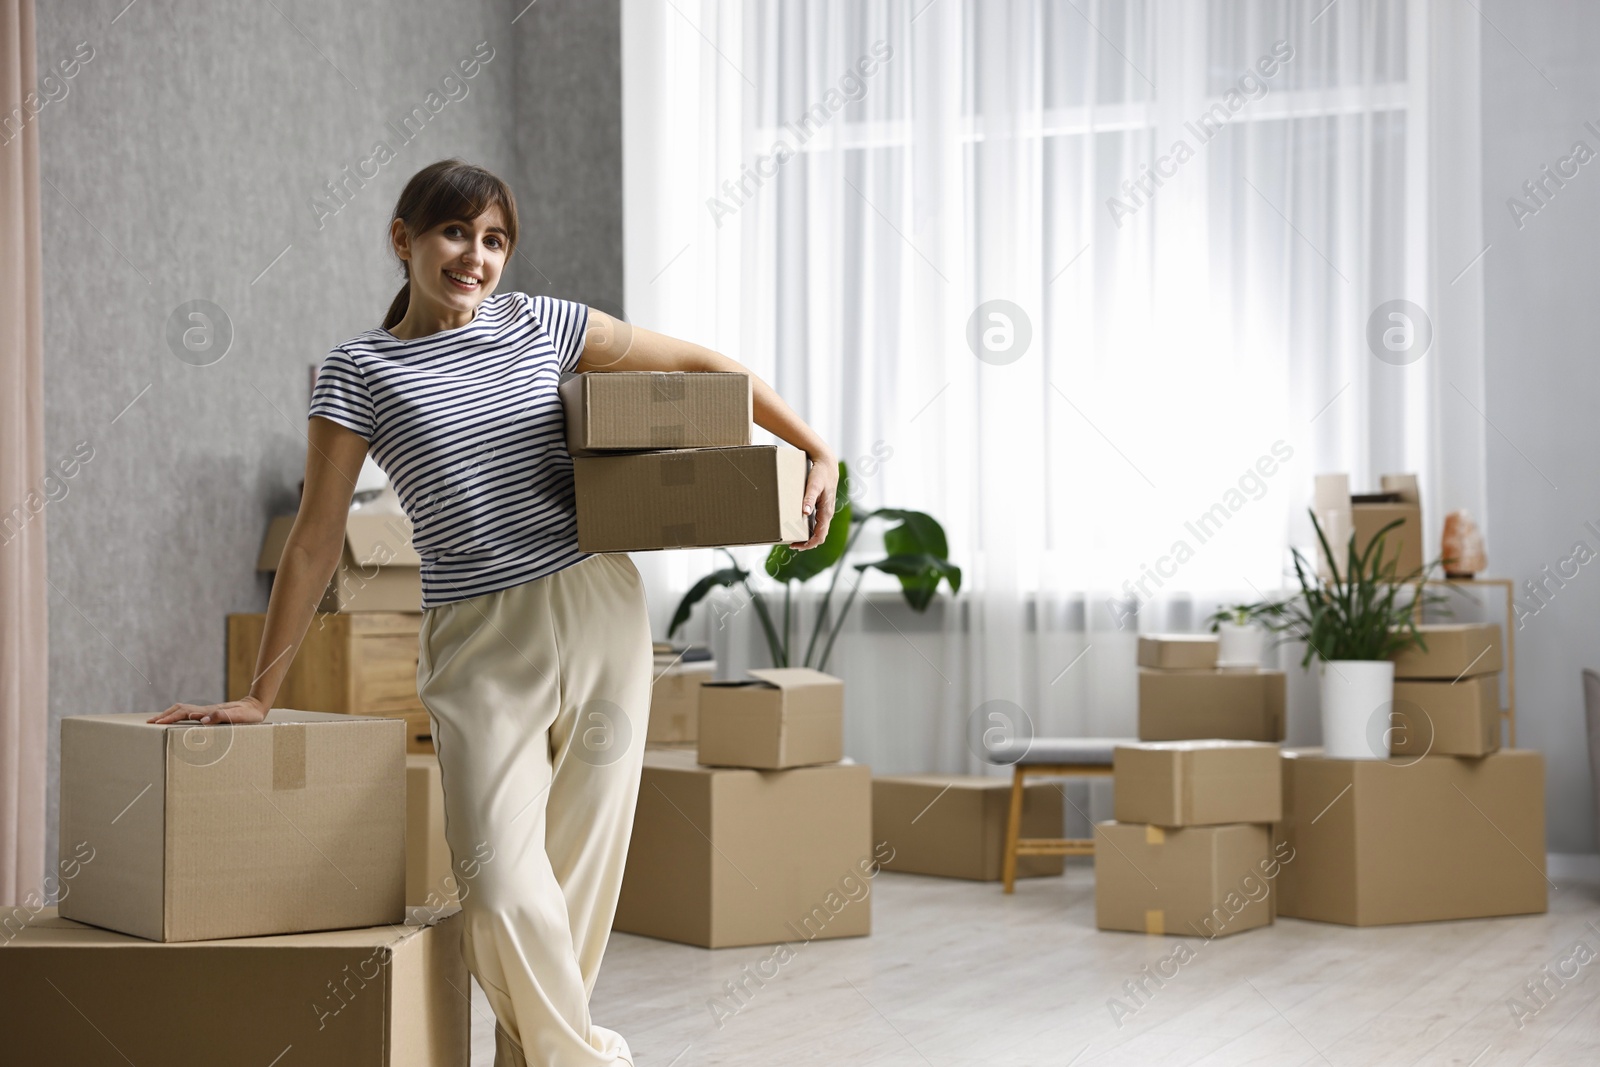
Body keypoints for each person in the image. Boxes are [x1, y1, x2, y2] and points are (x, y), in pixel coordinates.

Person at [149, 158, 838, 1066]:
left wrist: (812, 448)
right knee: (501, 881)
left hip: (596, 606)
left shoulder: (543, 323)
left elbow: (708, 369)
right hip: (476, 636)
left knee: (581, 876)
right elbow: (315, 540)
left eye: (494, 239)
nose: (474, 257)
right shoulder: (360, 371)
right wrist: (259, 696)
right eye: (453, 233)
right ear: (403, 240)